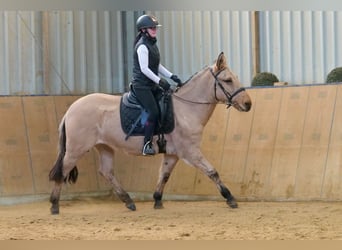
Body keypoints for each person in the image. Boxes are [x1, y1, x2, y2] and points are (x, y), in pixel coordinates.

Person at [131, 14, 182, 156]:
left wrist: (171, 76)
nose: (154, 30)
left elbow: (156, 65)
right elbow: (145, 69)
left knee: (167, 102)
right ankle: (146, 144)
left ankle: (163, 138)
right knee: (153, 111)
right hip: (142, 86)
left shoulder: (152, 44)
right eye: (151, 28)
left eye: (155, 27)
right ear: (143, 30)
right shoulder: (142, 46)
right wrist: (160, 81)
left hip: (151, 85)